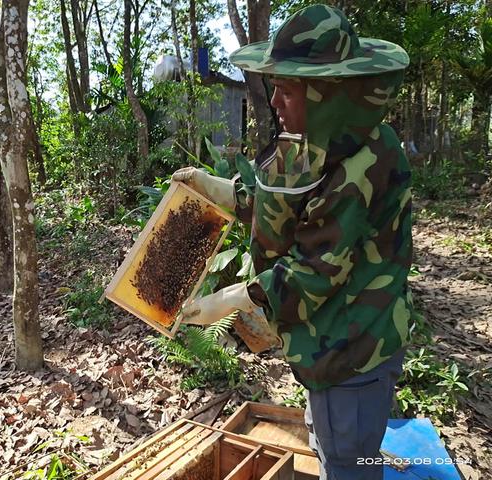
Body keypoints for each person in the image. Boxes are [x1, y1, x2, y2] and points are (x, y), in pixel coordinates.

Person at [172, 4, 415, 480]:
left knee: (349, 465)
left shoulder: (363, 164)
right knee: (329, 442)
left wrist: (230, 298)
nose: (277, 103)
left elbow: (314, 272)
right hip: (329, 341)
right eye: (275, 89)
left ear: (327, 94)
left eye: (286, 91)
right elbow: (286, 197)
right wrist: (218, 188)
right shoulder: (326, 138)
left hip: (353, 350)